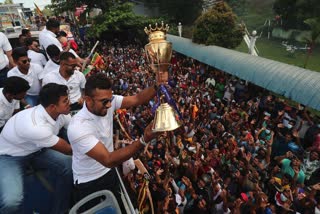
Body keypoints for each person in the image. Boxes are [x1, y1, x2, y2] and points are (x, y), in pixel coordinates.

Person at [67, 72, 160, 210]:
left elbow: (137, 98)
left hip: (109, 172)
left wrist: (157, 85)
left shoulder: (107, 102)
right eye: (105, 101)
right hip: (89, 182)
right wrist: (143, 140)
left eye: (111, 99)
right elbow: (108, 159)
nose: (110, 105)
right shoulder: (78, 127)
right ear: (88, 99)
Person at [0, 83, 73, 214]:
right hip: (10, 156)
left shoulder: (62, 113)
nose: (70, 103)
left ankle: (60, 210)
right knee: (12, 202)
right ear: (52, 107)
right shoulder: (36, 127)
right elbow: (68, 149)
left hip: (36, 149)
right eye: (65, 101)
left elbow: (75, 130)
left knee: (69, 165)